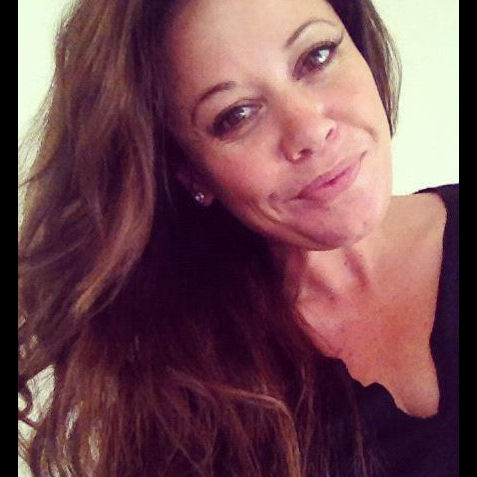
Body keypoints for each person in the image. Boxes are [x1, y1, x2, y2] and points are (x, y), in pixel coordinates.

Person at [18, 0, 458, 475]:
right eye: (237, 114)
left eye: (317, 57)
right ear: (190, 173)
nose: (310, 131)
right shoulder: (187, 398)